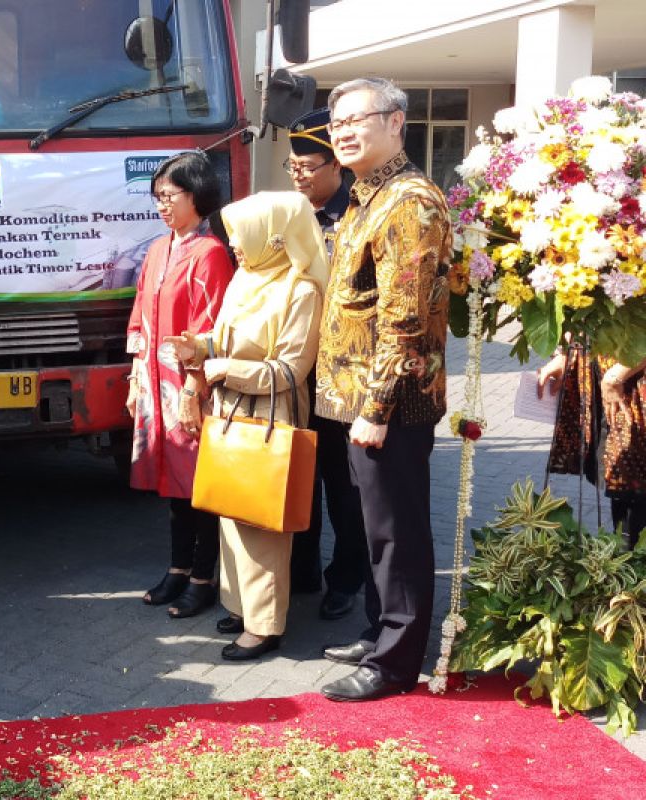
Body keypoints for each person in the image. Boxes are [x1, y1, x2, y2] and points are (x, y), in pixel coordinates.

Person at [314, 78, 451, 702]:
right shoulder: (366, 196)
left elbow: (404, 319)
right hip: (356, 399)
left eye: (356, 118)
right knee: (374, 528)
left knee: (398, 532)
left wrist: (376, 409)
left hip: (390, 403)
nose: (341, 130)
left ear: (396, 122)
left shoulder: (408, 201)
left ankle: (395, 662)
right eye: (335, 121)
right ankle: (378, 631)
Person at [166, 192, 328, 660]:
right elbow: (223, 337)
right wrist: (197, 346)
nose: (234, 245)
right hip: (232, 410)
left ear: (273, 237)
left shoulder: (301, 290)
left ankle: (265, 625)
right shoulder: (247, 278)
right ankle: (239, 607)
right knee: (232, 512)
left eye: (242, 236)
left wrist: (222, 370)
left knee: (263, 524)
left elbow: (289, 370)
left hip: (272, 415)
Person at [126, 151, 233, 619]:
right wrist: (134, 377)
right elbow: (139, 317)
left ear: (197, 195)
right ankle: (177, 569)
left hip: (189, 388)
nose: (161, 206)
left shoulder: (210, 254)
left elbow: (210, 330)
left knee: (198, 484)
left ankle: (203, 578)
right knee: (172, 483)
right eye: (157, 198)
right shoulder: (156, 250)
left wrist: (193, 388)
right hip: (155, 384)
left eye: (169, 196)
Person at [283, 108, 370, 622]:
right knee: (299, 477)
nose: (299, 176)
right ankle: (302, 570)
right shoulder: (293, 218)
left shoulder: (356, 215)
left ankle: (346, 578)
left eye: (308, 167)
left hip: (343, 377)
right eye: (293, 167)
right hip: (297, 372)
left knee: (344, 487)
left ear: (336, 164)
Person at [540, 349, 646, 548]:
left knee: (635, 502)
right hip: (612, 389)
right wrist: (562, 354)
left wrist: (616, 376)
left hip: (632, 388)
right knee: (624, 499)